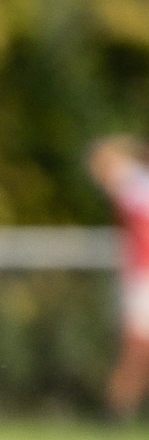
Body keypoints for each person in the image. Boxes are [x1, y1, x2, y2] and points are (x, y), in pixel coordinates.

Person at [87, 136, 149, 421]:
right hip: (140, 278)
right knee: (136, 349)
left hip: (142, 278)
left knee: (135, 349)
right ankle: (118, 413)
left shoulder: (132, 184)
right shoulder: (134, 185)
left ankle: (116, 414)